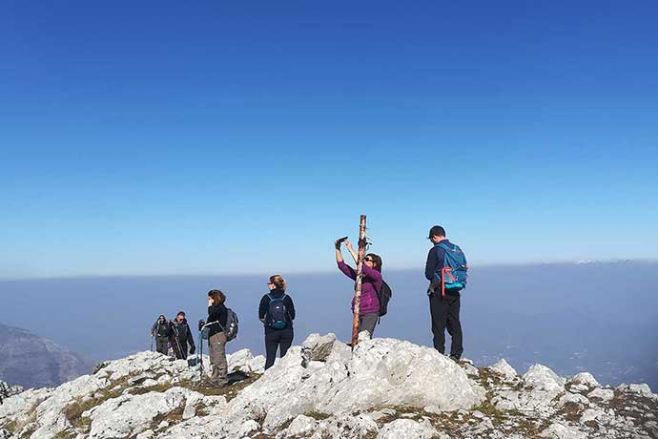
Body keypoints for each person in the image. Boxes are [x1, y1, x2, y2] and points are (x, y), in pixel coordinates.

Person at [425, 225, 464, 360]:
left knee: (438, 323)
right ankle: (456, 353)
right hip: (455, 289)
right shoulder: (456, 249)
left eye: (431, 239)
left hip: (439, 291)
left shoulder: (435, 251)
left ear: (434, 237)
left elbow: (429, 273)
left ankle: (439, 353)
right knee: (454, 321)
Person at [335, 237, 383, 338]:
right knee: (356, 340)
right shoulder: (360, 276)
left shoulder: (377, 276)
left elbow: (361, 265)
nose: (364, 260)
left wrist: (351, 249)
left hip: (370, 312)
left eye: (367, 259)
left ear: (374, 264)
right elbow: (342, 266)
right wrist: (337, 248)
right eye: (364, 259)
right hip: (358, 312)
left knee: (363, 340)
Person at [258, 274, 296, 370]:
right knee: (284, 358)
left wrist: (268, 323)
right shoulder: (287, 298)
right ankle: (284, 379)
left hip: (271, 332)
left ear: (273, 285)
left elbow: (261, 316)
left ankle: (267, 380)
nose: (268, 284)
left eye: (269, 283)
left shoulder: (266, 298)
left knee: (270, 358)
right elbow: (293, 315)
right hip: (287, 331)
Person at [206, 289, 229, 387]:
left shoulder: (220, 308)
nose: (208, 300)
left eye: (210, 298)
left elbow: (211, 313)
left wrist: (210, 305)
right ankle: (214, 378)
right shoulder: (219, 308)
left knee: (219, 358)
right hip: (213, 335)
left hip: (218, 335)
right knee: (214, 358)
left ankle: (223, 379)